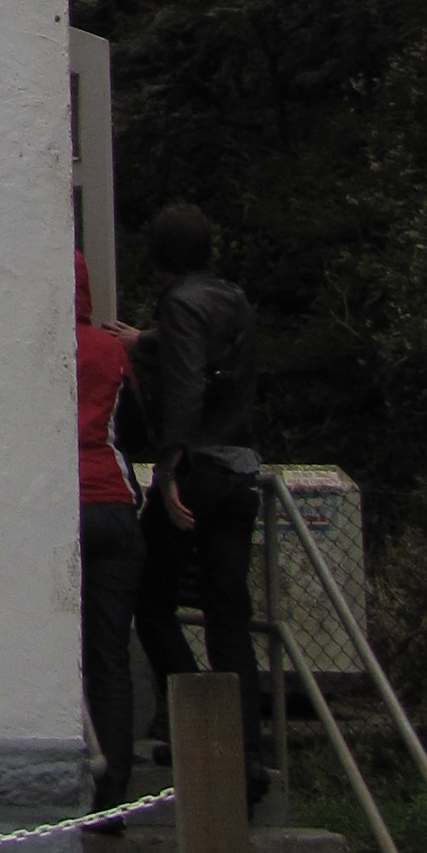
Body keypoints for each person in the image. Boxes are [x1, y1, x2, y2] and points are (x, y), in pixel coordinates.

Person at [131, 200, 269, 805]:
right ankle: (246, 753)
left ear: (160, 255)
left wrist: (167, 471)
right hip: (240, 470)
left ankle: (196, 725)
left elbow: (187, 383)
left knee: (150, 599)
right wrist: (146, 340)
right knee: (228, 614)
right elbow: (206, 349)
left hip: (197, 471)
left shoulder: (178, 303)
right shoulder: (232, 298)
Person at [73, 255, 143, 815]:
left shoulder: (32, 346)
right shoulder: (111, 349)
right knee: (109, 654)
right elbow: (137, 427)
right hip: (114, 504)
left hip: (59, 505)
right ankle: (114, 792)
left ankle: (67, 773)